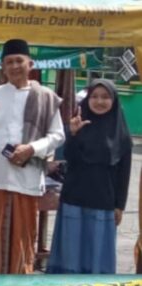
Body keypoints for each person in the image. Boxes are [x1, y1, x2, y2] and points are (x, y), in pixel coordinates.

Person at [0, 39, 65, 274]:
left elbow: (58, 135)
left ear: (29, 63)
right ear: (3, 67)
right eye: (9, 62)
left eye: (18, 61)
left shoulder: (46, 96)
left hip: (27, 179)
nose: (14, 66)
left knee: (22, 239)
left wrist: (32, 148)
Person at [47, 79, 132, 274]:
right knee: (70, 251)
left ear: (114, 100)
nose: (99, 101)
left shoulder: (121, 133)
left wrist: (120, 205)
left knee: (97, 253)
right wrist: (73, 135)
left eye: (105, 97)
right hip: (73, 199)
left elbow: (124, 173)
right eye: (94, 96)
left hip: (103, 202)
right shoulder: (79, 123)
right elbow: (69, 159)